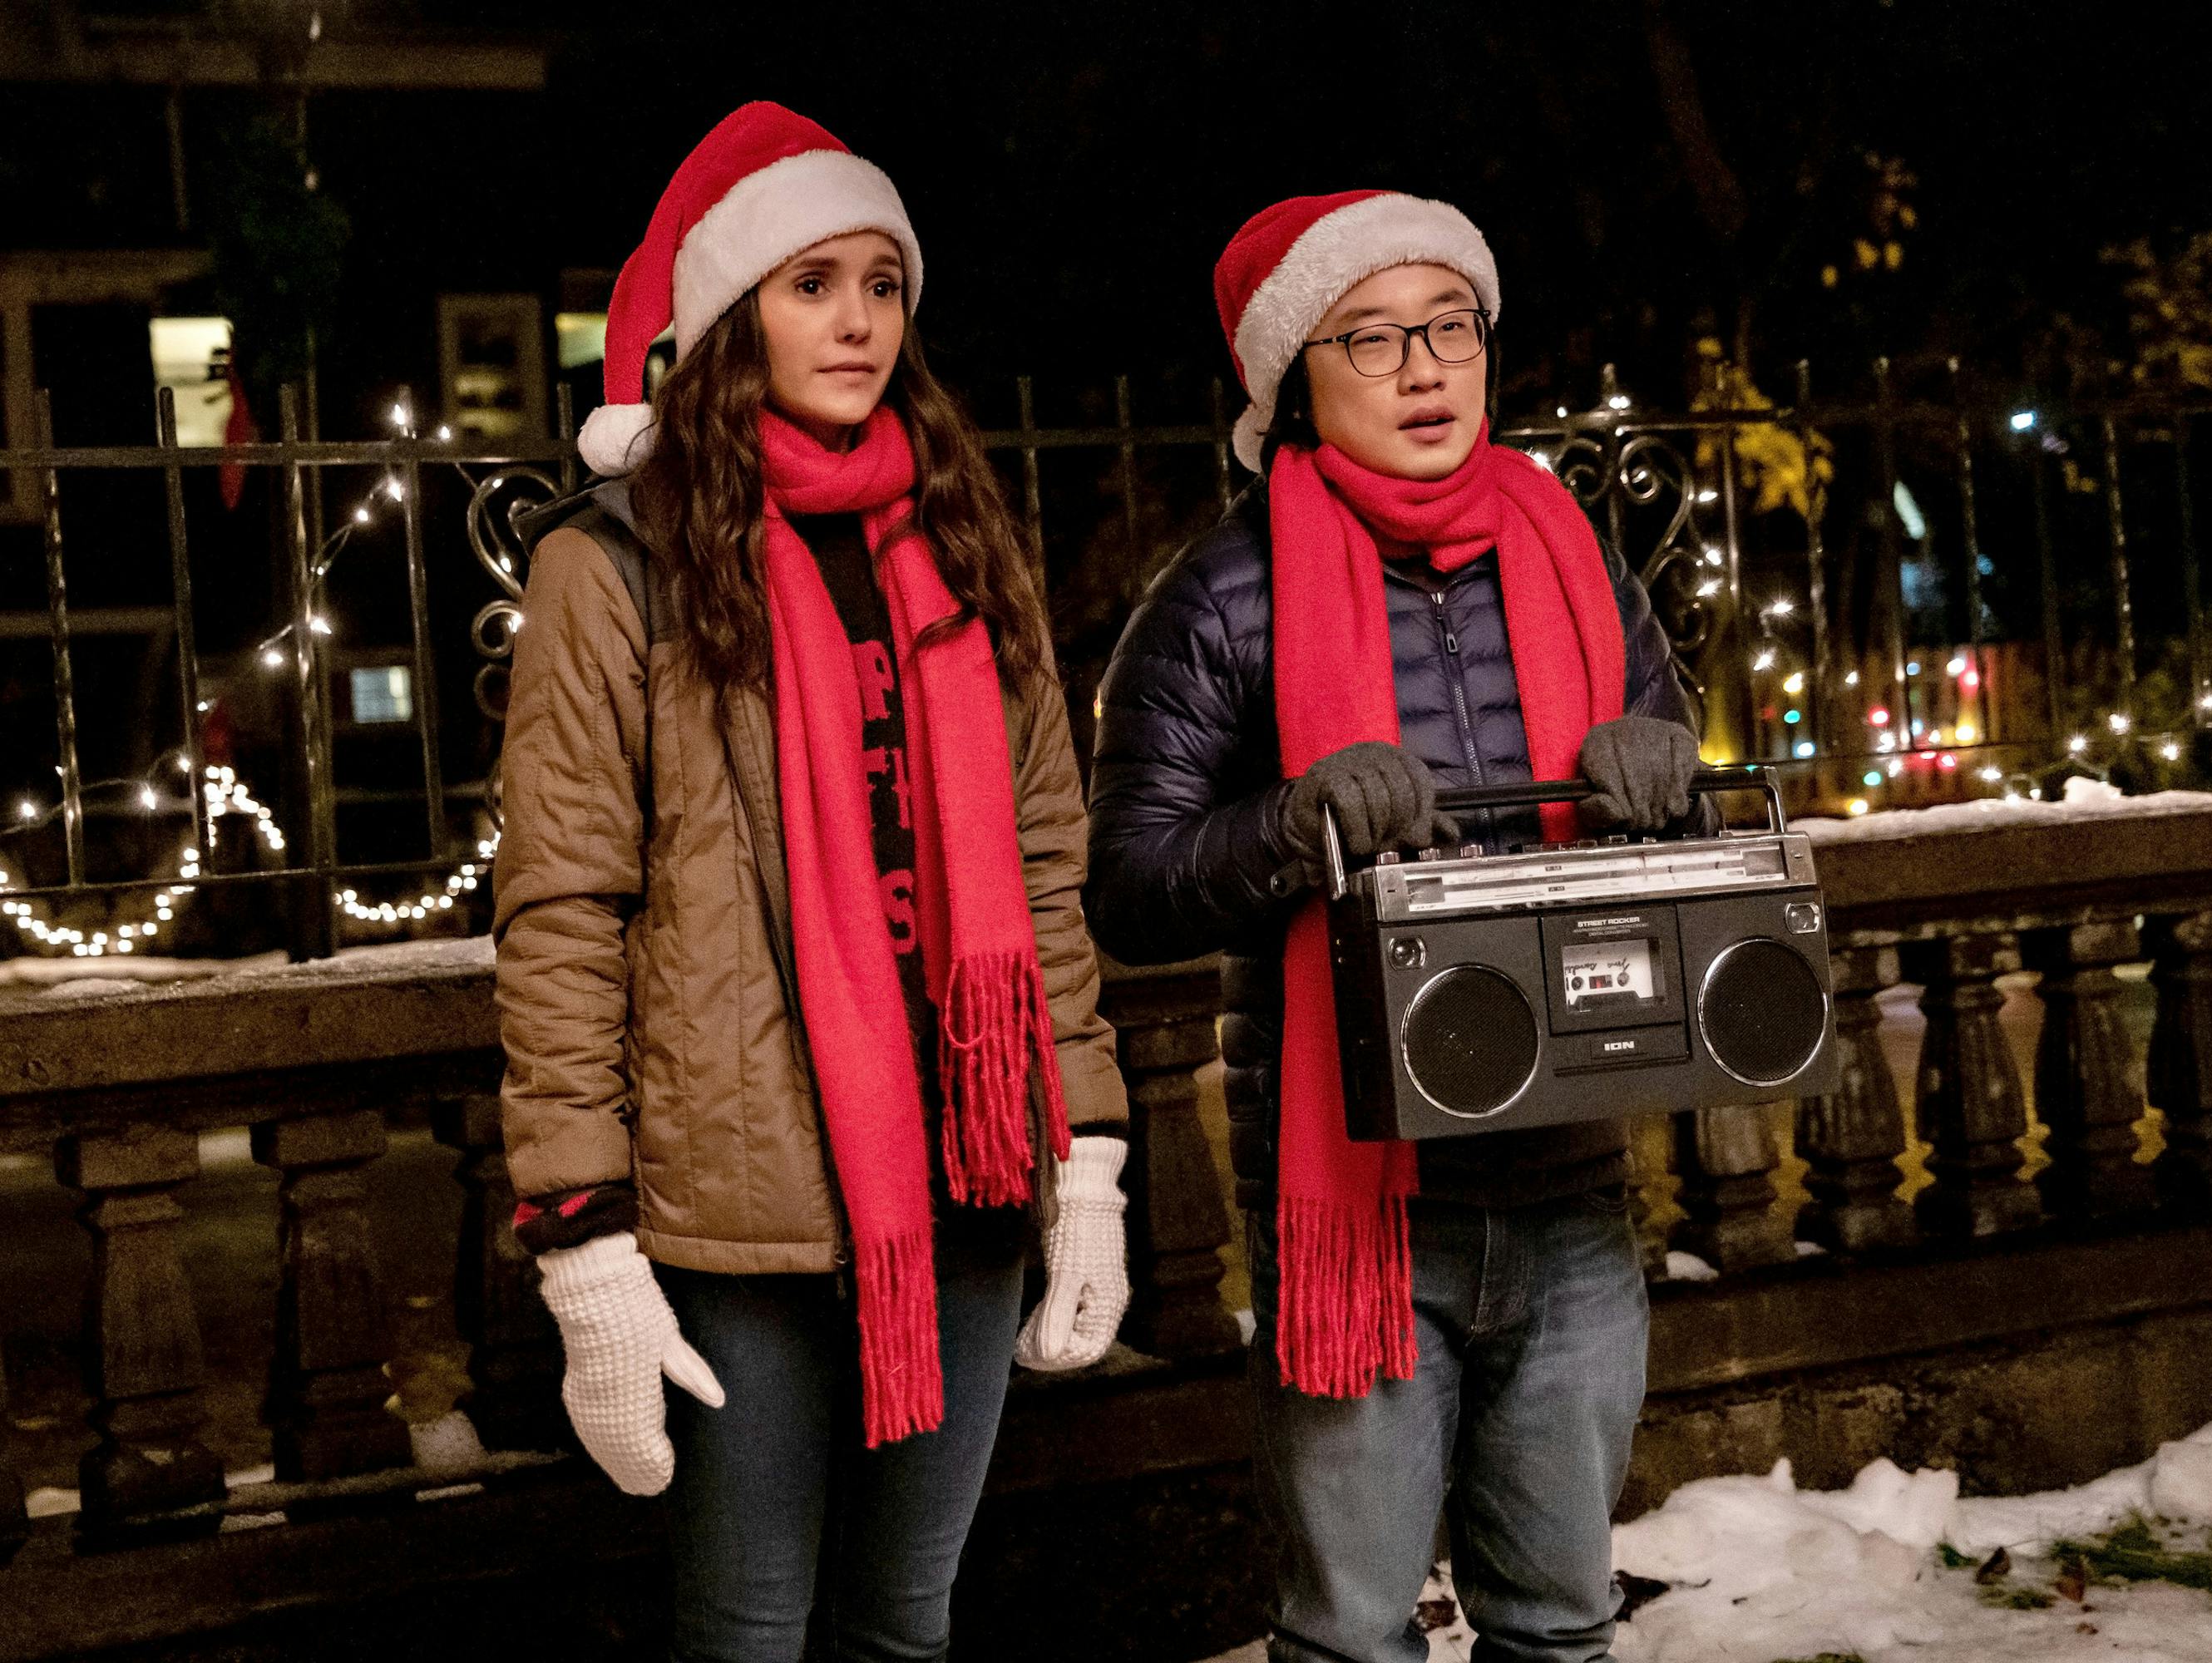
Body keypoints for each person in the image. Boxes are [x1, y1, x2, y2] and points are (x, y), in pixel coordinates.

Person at [493, 102, 1131, 1663]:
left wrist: (1089, 1152)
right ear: (727, 314)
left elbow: (1044, 863)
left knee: (907, 1621)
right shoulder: (618, 564)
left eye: (880, 284)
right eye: (807, 283)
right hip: (737, 1212)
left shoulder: (966, 538)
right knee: (748, 1632)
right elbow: (564, 905)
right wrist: (582, 1237)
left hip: (966, 1176)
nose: (854, 320)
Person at [1085, 190, 1707, 1663]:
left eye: (1449, 328)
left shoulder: (1576, 554)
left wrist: (1660, 783)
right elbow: (1128, 880)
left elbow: (1683, 825)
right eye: (1371, 338)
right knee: (1353, 1636)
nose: (1424, 368)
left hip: (1569, 1184)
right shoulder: (1222, 597)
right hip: (1358, 1208)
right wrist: (1297, 822)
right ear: (1295, 379)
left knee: (1560, 1622)